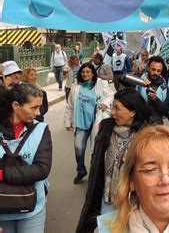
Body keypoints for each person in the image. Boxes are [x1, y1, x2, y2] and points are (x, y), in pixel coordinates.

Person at [76, 88, 152, 233]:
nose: (113, 112)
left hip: (135, 202)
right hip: (108, 199)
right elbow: (96, 159)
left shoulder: (146, 135)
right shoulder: (106, 127)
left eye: (117, 108)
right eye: (113, 107)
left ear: (133, 112)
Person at [0, 83, 52, 233]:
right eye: (33, 107)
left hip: (33, 209)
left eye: (39, 107)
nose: (38, 113)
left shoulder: (41, 129)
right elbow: (31, 170)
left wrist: (2, 174)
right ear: (16, 106)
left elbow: (41, 169)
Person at [64, 63, 114, 184]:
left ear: (93, 73)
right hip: (81, 123)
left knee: (95, 150)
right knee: (79, 150)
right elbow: (70, 105)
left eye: (88, 72)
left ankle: (94, 174)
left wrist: (105, 104)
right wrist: (68, 121)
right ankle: (81, 170)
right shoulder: (76, 87)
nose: (85, 74)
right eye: (83, 72)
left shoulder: (101, 84)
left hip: (96, 122)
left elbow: (111, 95)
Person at [136, 56, 169, 125]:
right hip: (140, 122)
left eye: (158, 71)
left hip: (156, 123)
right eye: (153, 69)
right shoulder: (140, 80)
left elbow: (165, 109)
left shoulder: (164, 87)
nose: (155, 73)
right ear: (148, 68)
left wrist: (156, 99)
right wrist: (139, 77)